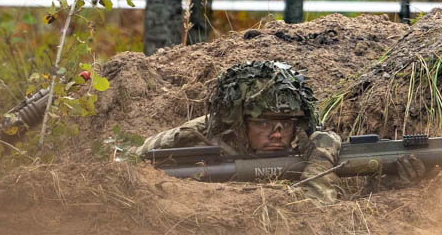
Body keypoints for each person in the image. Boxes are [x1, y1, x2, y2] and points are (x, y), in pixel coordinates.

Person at [131, 60, 426, 201]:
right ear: (239, 122)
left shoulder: (307, 143)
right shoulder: (198, 135)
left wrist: (389, 185)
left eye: (286, 124)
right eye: (263, 123)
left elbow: (331, 212)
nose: (277, 133)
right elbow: (133, 158)